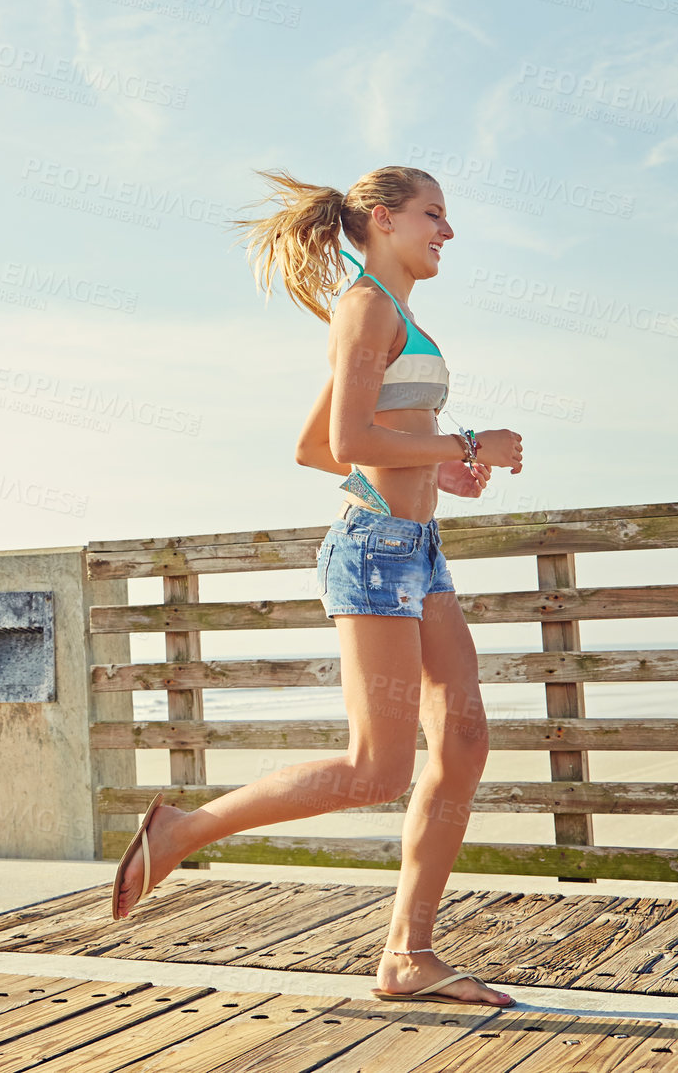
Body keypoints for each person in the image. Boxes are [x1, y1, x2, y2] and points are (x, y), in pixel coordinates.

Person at [108, 166, 523, 1008]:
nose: (448, 231)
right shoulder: (366, 307)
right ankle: (184, 830)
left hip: (418, 547)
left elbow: (318, 447)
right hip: (372, 549)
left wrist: (445, 475)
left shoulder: (398, 315)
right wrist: (466, 441)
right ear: (382, 219)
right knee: (377, 769)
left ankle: (408, 954)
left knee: (466, 739)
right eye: (434, 214)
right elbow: (350, 436)